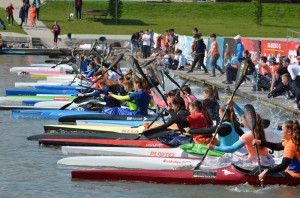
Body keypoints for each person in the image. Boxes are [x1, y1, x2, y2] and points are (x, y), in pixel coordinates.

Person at [208, 112, 275, 167]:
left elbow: (231, 149)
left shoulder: (248, 135)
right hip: (267, 159)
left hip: (258, 162)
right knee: (236, 155)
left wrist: (214, 147)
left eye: (242, 120)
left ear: (248, 122)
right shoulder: (260, 131)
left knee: (228, 156)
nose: (242, 122)